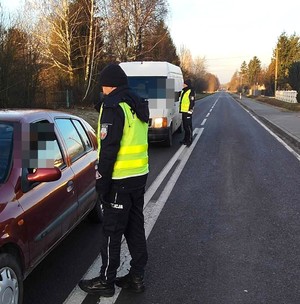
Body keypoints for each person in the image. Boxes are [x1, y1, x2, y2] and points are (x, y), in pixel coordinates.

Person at [78, 63, 149, 297]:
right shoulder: (135, 103)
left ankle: (106, 281)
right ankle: (136, 276)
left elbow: (108, 150)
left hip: (119, 180)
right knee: (135, 227)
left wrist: (102, 184)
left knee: (112, 231)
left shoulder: (113, 106)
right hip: (139, 176)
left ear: (107, 85)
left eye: (102, 86)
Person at [179, 79, 195, 147]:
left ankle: (190, 140)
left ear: (187, 84)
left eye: (184, 84)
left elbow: (192, 102)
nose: (183, 84)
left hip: (188, 112)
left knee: (188, 127)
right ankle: (185, 139)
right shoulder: (184, 90)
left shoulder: (191, 91)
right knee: (185, 127)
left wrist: (190, 111)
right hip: (183, 111)